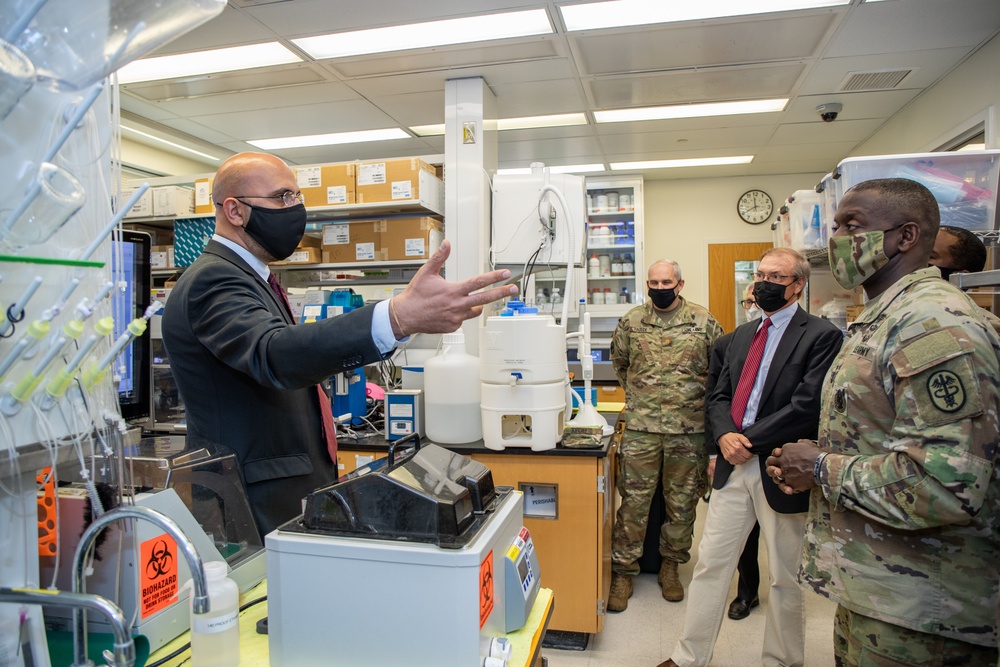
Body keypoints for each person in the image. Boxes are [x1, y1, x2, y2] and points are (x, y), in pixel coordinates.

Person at [162, 151, 517, 538]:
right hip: (249, 503)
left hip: (279, 493)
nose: (296, 210)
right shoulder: (213, 279)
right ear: (234, 210)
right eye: (283, 198)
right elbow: (275, 353)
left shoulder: (252, 278)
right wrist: (394, 317)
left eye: (298, 198)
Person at [766, 178, 1000, 666]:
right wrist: (813, 458)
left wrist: (820, 467)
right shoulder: (884, 318)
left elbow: (945, 483)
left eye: (853, 226)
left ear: (906, 237)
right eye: (836, 226)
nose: (837, 241)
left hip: (926, 609)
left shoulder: (933, 326)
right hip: (878, 589)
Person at [659, 248, 843, 667]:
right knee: (711, 564)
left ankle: (780, 660)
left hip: (781, 467)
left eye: (776, 276)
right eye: (760, 274)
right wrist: (724, 436)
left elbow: (806, 405)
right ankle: (689, 657)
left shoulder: (821, 335)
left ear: (798, 284)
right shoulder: (739, 336)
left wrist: (746, 439)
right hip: (732, 465)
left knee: (785, 576)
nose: (764, 282)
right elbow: (718, 395)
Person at [608, 259, 723, 611]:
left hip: (688, 431)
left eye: (666, 282)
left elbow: (719, 372)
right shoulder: (631, 321)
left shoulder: (704, 322)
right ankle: (623, 572)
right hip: (642, 429)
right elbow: (621, 364)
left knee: (682, 504)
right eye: (653, 282)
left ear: (680, 283)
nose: (659, 288)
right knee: (633, 504)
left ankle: (671, 567)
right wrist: (643, 398)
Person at [705, 288, 761, 622]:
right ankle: (747, 592)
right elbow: (714, 398)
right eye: (748, 302)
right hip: (732, 453)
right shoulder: (727, 344)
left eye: (757, 301)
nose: (752, 307)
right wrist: (715, 449)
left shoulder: (810, 337)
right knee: (743, 536)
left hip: (775, 453)